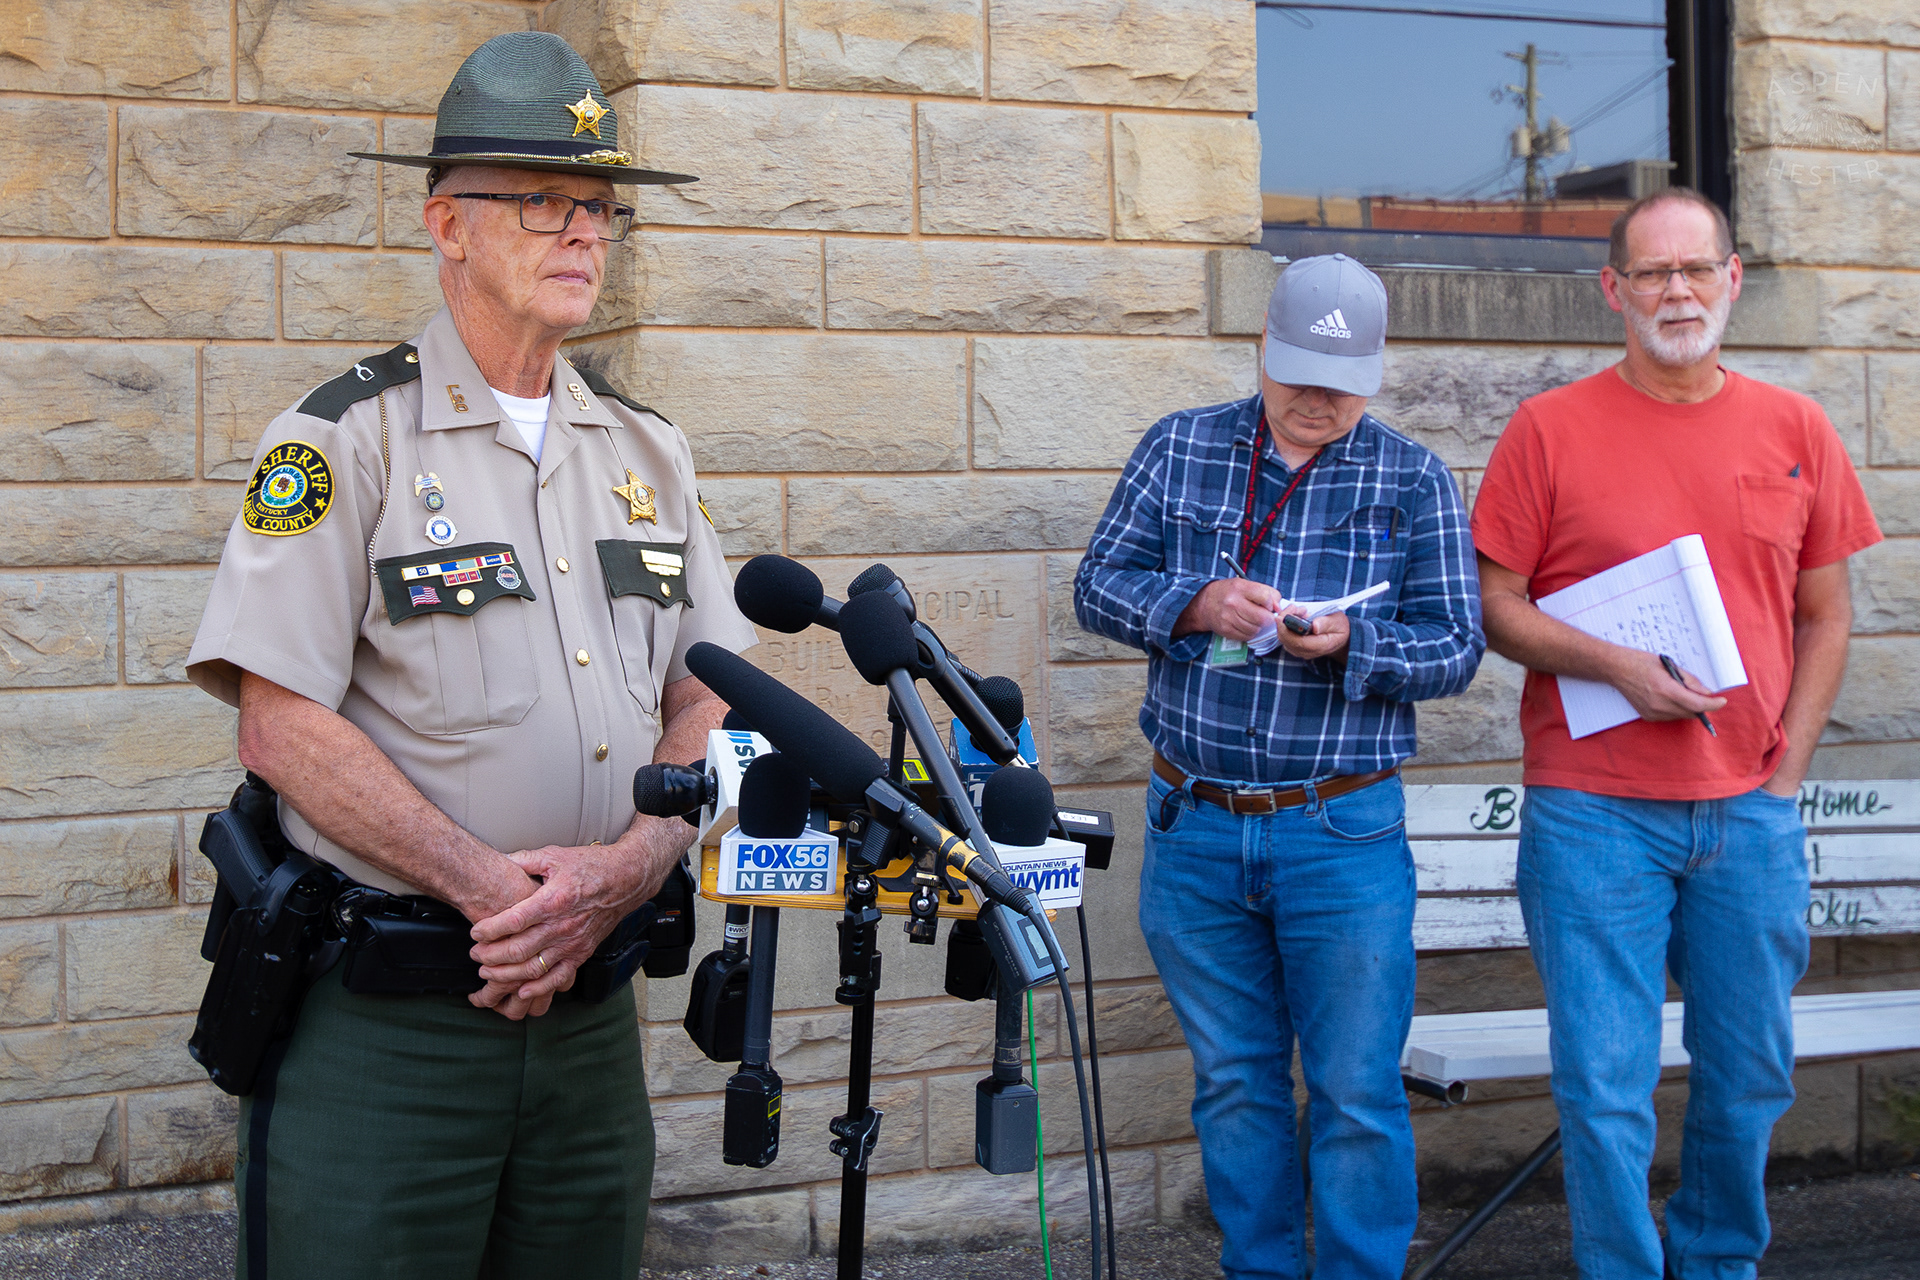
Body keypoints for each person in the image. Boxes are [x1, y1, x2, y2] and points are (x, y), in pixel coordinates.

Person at [185, 31, 756, 1278]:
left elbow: (719, 696)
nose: (582, 232)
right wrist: (500, 897)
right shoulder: (344, 439)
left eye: (598, 207)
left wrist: (628, 867)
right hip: (391, 1029)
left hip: (592, 1013)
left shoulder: (650, 452)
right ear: (447, 226)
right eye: (543, 199)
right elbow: (278, 726)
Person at [1471, 187, 1882, 1280]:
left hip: (1748, 812)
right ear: (1613, 290)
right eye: (1652, 273)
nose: (1677, 291)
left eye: (1696, 268)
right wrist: (1614, 667)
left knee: (1749, 1069)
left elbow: (1827, 612)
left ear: (1733, 277)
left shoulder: (1795, 427)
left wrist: (1786, 769)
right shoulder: (1547, 428)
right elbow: (1497, 602)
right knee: (1605, 1084)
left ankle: (1716, 1261)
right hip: (1594, 810)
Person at [1074, 254, 1484, 1280]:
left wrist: (1355, 644)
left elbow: (1457, 645)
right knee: (1235, 1081)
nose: (1316, 399)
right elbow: (1097, 585)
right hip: (1197, 821)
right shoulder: (1180, 447)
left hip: (1340, 829)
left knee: (1354, 1087)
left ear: (1376, 371)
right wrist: (1197, 604)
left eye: (1341, 382)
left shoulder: (1414, 477)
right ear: (1262, 345)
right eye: (1299, 370)